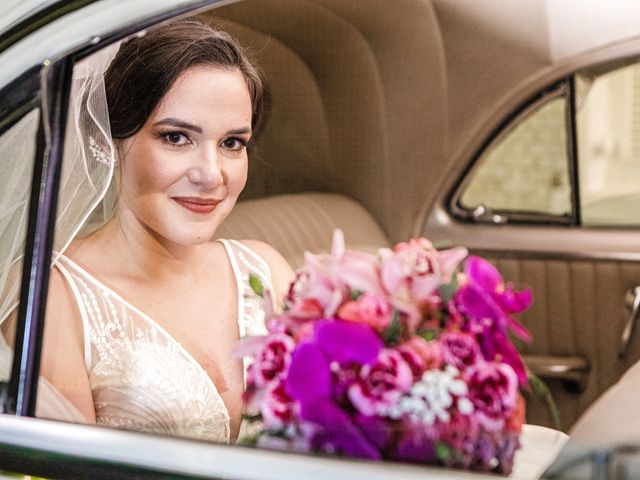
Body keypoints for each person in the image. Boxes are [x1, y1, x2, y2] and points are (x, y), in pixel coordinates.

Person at [34, 19, 293, 443]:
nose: (212, 175)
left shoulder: (265, 269)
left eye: (232, 143)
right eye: (176, 137)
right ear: (109, 141)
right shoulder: (54, 296)